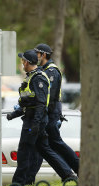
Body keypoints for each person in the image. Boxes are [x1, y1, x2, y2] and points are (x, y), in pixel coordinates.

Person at [7, 50, 76, 186]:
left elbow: (40, 103)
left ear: (27, 62)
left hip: (34, 120)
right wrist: (14, 114)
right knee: (45, 149)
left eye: (23, 61)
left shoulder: (39, 78)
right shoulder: (31, 77)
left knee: (24, 150)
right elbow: (29, 102)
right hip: (32, 119)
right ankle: (68, 175)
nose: (22, 63)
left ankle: (19, 182)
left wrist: (36, 124)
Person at [30, 43, 79, 176]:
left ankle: (77, 170)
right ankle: (30, 177)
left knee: (55, 143)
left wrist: (43, 114)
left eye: (37, 54)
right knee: (43, 146)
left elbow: (49, 96)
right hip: (49, 113)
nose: (36, 56)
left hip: (51, 113)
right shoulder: (44, 69)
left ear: (44, 54)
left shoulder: (51, 71)